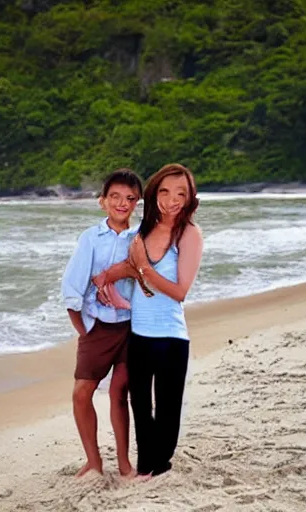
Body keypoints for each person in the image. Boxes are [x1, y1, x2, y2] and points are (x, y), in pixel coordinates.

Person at [94, 163, 203, 478]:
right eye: (166, 191)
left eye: (181, 193)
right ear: (155, 192)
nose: (172, 200)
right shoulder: (142, 231)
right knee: (140, 406)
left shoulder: (189, 234)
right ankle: (145, 468)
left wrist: (144, 268)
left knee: (167, 410)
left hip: (171, 337)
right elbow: (131, 267)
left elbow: (180, 291)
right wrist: (106, 277)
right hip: (139, 335)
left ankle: (161, 466)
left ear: (189, 197)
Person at [61, 168, 143, 477]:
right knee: (81, 393)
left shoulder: (140, 238)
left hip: (132, 328)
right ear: (102, 201)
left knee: (119, 393)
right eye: (115, 197)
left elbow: (148, 281)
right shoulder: (90, 238)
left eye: (130, 198)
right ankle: (94, 461)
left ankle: (124, 464)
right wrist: (84, 329)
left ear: (137, 203)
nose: (122, 203)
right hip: (98, 328)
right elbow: (71, 287)